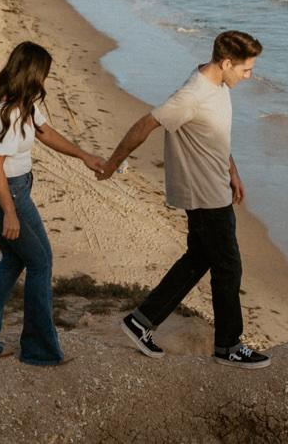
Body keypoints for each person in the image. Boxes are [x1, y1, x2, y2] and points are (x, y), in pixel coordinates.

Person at [98, 30, 271, 369]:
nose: (249, 76)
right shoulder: (193, 94)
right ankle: (228, 346)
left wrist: (232, 170)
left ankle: (141, 321)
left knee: (198, 260)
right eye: (246, 69)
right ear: (225, 63)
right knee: (228, 267)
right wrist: (112, 163)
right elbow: (145, 124)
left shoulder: (219, 85)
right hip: (203, 194)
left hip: (216, 185)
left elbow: (216, 137)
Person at [0, 40, 104, 366]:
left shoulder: (26, 104)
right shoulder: (4, 114)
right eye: (45, 75)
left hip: (16, 190)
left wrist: (85, 156)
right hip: (2, 194)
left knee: (14, 261)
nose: (47, 82)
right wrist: (9, 211)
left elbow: (46, 133)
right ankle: (39, 349)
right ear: (32, 74)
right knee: (40, 263)